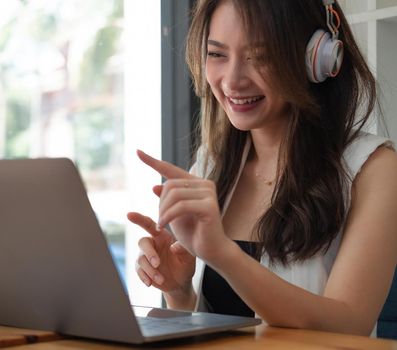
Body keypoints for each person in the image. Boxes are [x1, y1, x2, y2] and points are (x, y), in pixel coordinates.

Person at [127, 0, 397, 336]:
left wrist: (224, 255)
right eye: (217, 54)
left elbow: (349, 324)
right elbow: (223, 328)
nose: (233, 80)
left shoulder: (373, 168)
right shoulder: (211, 164)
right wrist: (179, 290)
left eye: (261, 56)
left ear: (316, 59)